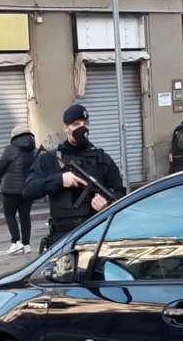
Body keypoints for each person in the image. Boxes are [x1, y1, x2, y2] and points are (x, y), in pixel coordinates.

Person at [23, 104, 127, 251]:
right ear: (66, 127)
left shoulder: (102, 159)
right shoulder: (50, 159)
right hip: (63, 237)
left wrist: (107, 204)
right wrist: (59, 180)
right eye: (76, 124)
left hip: (96, 233)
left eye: (85, 124)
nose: (82, 128)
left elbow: (120, 192)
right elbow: (29, 189)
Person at [0, 124, 38, 254]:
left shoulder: (10, 149)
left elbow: (1, 165)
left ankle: (16, 242)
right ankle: (27, 244)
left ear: (14, 136)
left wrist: (1, 177)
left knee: (10, 215)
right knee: (25, 216)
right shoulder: (34, 150)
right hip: (27, 188)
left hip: (10, 188)